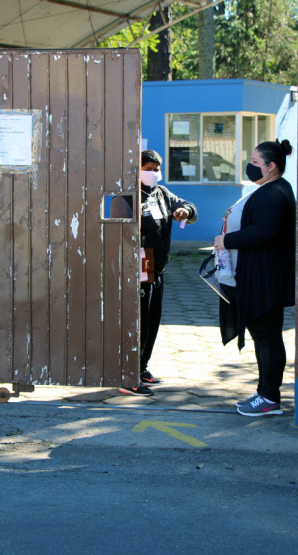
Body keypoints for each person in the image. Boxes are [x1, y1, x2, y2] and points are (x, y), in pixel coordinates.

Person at [214, 140, 296, 416]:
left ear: (271, 166)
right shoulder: (269, 189)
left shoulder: (274, 192)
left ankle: (270, 397)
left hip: (265, 278)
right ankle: (264, 393)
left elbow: (265, 231)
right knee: (263, 337)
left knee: (267, 337)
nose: (249, 166)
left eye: (254, 161)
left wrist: (226, 240)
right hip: (259, 275)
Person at [112, 149, 197, 396]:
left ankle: (142, 368)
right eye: (147, 169)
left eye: (156, 169)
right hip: (136, 271)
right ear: (136, 170)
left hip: (156, 270)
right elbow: (120, 236)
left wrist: (186, 212)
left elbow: (186, 205)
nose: (152, 173)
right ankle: (129, 376)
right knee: (137, 324)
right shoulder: (127, 196)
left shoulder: (161, 193)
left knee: (152, 321)